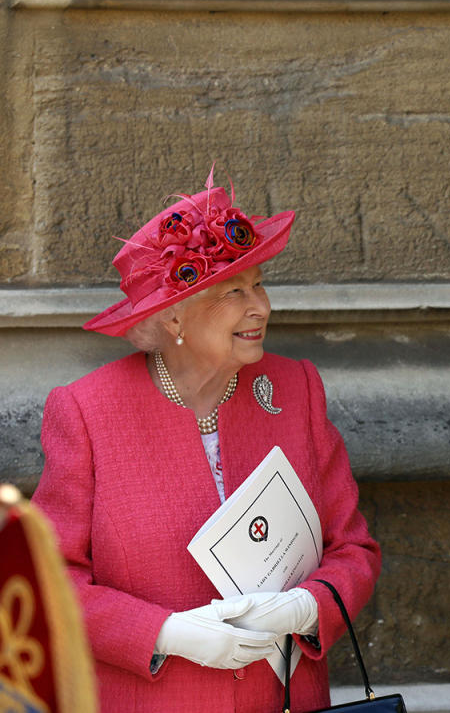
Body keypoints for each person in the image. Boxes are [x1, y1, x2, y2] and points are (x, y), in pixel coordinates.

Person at [31, 167, 381, 712]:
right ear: (174, 316)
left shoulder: (296, 389)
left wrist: (306, 608)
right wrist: (166, 632)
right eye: (232, 292)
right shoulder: (86, 413)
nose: (260, 307)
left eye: (260, 284)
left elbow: (353, 550)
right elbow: (48, 585)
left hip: (285, 700)